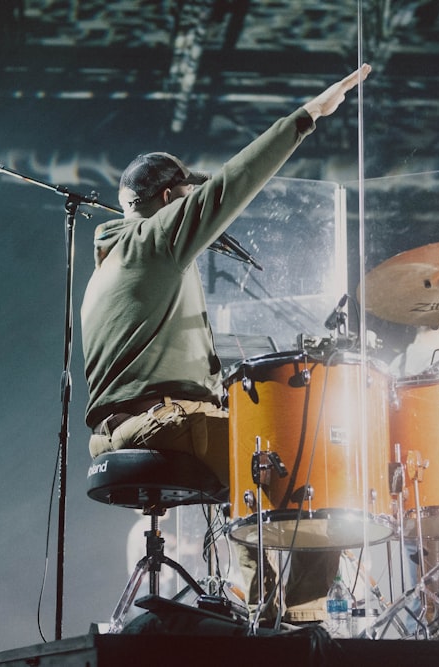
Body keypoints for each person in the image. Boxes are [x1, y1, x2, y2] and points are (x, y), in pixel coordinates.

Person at [81, 64, 372, 626]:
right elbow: (233, 183)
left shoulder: (108, 265)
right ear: (169, 198)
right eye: (184, 200)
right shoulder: (153, 241)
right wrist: (306, 117)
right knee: (314, 460)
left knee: (256, 459)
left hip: (119, 429)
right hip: (161, 421)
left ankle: (256, 608)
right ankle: (301, 619)